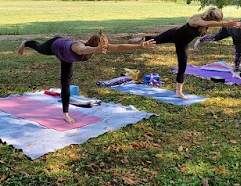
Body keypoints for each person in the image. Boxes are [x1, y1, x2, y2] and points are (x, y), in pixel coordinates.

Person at [17, 31, 156, 124]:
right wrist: (95, 50)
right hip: (56, 45)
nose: (106, 49)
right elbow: (83, 51)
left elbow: (119, 47)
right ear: (96, 45)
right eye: (103, 46)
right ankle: (25, 43)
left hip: (67, 59)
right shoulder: (79, 46)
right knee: (40, 48)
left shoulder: (98, 47)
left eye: (105, 46)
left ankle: (65, 113)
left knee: (65, 84)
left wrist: (140, 46)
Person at [128, 7, 241, 99]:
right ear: (210, 18)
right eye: (216, 21)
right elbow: (206, 24)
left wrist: (236, 25)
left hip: (182, 43)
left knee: (183, 65)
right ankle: (139, 39)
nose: (217, 23)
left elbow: (213, 27)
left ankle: (179, 91)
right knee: (155, 40)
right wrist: (225, 23)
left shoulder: (208, 24)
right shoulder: (196, 19)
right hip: (173, 34)